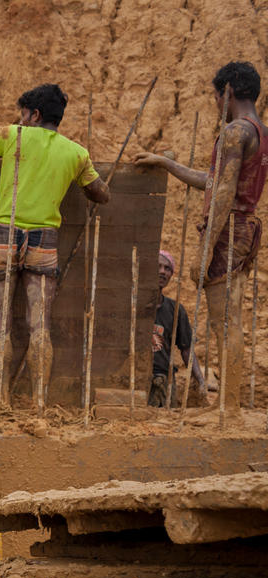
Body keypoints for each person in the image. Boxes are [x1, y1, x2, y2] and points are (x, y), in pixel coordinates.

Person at [0, 84, 111, 405]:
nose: (21, 120)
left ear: (35, 114)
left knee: (1, 324)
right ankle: (39, 401)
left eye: (23, 115)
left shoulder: (14, 136)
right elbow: (101, 194)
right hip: (44, 239)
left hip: (5, 235)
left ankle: (3, 400)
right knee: (40, 326)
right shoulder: (77, 153)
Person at [135, 62, 266, 412]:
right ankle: (228, 404)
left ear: (227, 92)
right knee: (229, 317)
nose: (215, 105)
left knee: (225, 320)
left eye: (215, 97)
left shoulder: (235, 132)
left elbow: (222, 193)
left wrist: (205, 250)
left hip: (229, 229)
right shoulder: (258, 131)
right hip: (245, 227)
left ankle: (229, 408)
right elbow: (215, 181)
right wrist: (167, 165)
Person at [149, 250, 207, 407]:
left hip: (164, 381)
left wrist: (200, 380)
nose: (162, 271)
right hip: (136, 379)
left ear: (171, 275)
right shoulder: (132, 305)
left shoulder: (176, 310)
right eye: (158, 266)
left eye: (167, 268)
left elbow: (186, 349)